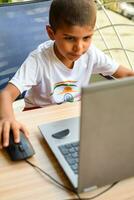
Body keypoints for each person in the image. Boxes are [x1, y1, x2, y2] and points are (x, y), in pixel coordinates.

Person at [0, 0, 134, 149]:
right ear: (51, 33)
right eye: (70, 38)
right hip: (39, 118)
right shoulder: (38, 60)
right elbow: (6, 94)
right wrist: (7, 118)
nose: (79, 47)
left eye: (87, 38)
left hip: (72, 116)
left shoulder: (91, 54)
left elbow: (127, 74)